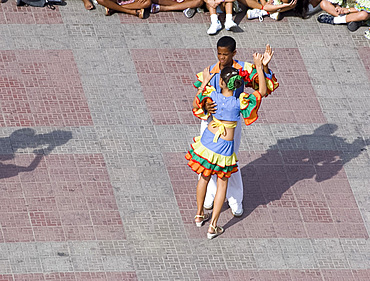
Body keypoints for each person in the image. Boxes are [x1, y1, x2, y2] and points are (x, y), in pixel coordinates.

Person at [193, 36, 279, 217]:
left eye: (225, 54)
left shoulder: (243, 69)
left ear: (234, 53)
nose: (221, 58)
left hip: (232, 124)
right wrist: (205, 105)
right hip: (210, 123)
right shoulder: (210, 71)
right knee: (207, 163)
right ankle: (210, 195)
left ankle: (234, 199)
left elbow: (262, 86)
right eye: (219, 54)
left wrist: (262, 66)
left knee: (230, 162)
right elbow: (200, 97)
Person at [186, 54, 269, 239]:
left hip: (207, 141)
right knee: (222, 184)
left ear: (221, 83)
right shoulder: (239, 102)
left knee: (204, 177)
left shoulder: (212, 95)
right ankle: (213, 226)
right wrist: (259, 67)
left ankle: (199, 215)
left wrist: (205, 81)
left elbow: (195, 104)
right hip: (224, 148)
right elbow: (262, 91)